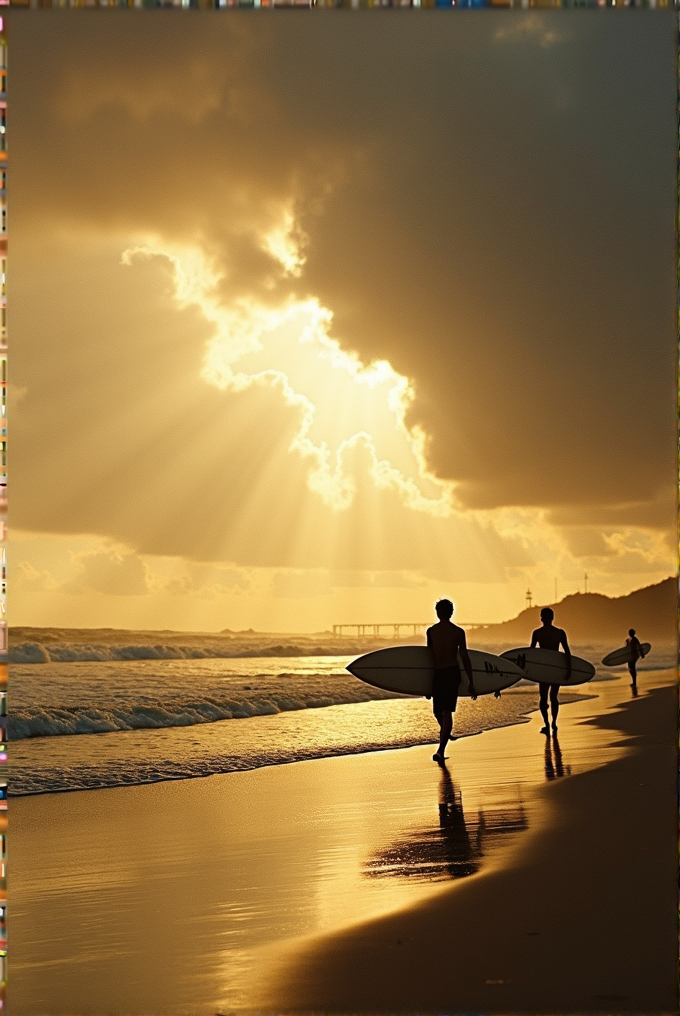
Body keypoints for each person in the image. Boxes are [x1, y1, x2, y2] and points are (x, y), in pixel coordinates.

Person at [426, 599, 476, 763]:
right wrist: (471, 681)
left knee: (445, 711)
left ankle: (441, 750)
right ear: (451, 612)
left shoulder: (432, 631)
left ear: (438, 612)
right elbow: (465, 657)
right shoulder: (458, 632)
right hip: (449, 673)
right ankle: (446, 733)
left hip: (442, 674)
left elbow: (429, 659)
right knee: (438, 712)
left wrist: (471, 682)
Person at [530, 606, 571, 736]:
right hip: (556, 669)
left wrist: (531, 671)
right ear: (552, 617)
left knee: (543, 698)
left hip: (544, 669)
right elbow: (567, 652)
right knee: (554, 697)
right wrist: (568, 669)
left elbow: (531, 654)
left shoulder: (537, 633)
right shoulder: (559, 633)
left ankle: (547, 724)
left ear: (541, 618)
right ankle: (554, 722)